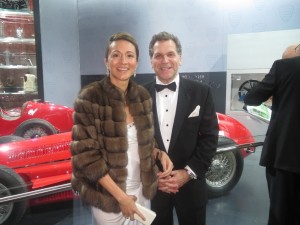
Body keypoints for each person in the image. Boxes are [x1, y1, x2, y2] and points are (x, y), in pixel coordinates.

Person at [70, 32, 174, 225]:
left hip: (142, 191)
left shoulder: (142, 96)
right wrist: (121, 197)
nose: (123, 61)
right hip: (108, 196)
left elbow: (145, 142)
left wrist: (159, 154)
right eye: (116, 55)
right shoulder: (90, 97)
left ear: (137, 61)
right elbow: (86, 157)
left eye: (129, 55)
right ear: (106, 61)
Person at [144, 31, 219, 225]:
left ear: (180, 58)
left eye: (170, 54)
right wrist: (153, 176)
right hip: (154, 189)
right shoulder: (137, 95)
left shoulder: (201, 92)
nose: (165, 60)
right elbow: (134, 141)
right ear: (151, 61)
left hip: (192, 186)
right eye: (158, 55)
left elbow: (209, 139)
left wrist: (187, 173)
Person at [244, 44, 300, 225]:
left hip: (284, 155)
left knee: (281, 213)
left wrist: (275, 91)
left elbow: (252, 97)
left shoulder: (284, 66)